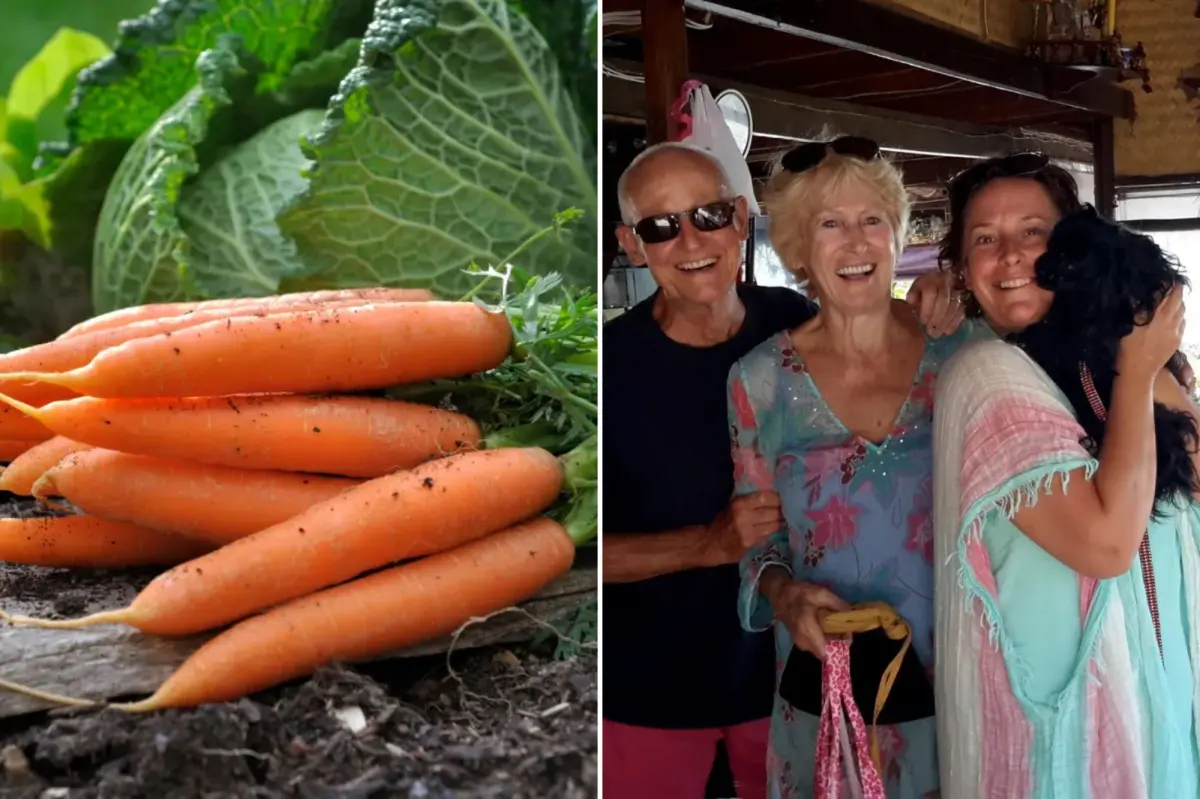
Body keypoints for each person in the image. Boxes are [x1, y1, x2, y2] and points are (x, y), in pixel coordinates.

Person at [601, 140, 963, 798]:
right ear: (632, 243)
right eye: (661, 226)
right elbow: (568, 553)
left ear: (741, 219)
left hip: (828, 681)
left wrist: (946, 294)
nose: (690, 240)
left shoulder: (930, 350)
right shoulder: (634, 369)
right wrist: (713, 548)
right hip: (656, 682)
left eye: (708, 215)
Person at [931, 153, 1200, 798]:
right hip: (1065, 741)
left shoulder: (1100, 365)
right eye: (985, 240)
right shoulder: (987, 380)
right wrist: (1138, 371)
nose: (1012, 256)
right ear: (965, 271)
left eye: (1033, 232)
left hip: (1157, 703)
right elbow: (1107, 544)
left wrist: (1148, 370)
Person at [729, 136, 970, 799]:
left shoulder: (962, 351)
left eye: (873, 221)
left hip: (963, 682)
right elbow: (757, 545)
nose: (857, 243)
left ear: (897, 236)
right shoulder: (760, 381)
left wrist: (967, 292)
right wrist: (783, 594)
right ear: (800, 250)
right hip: (831, 690)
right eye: (830, 224)